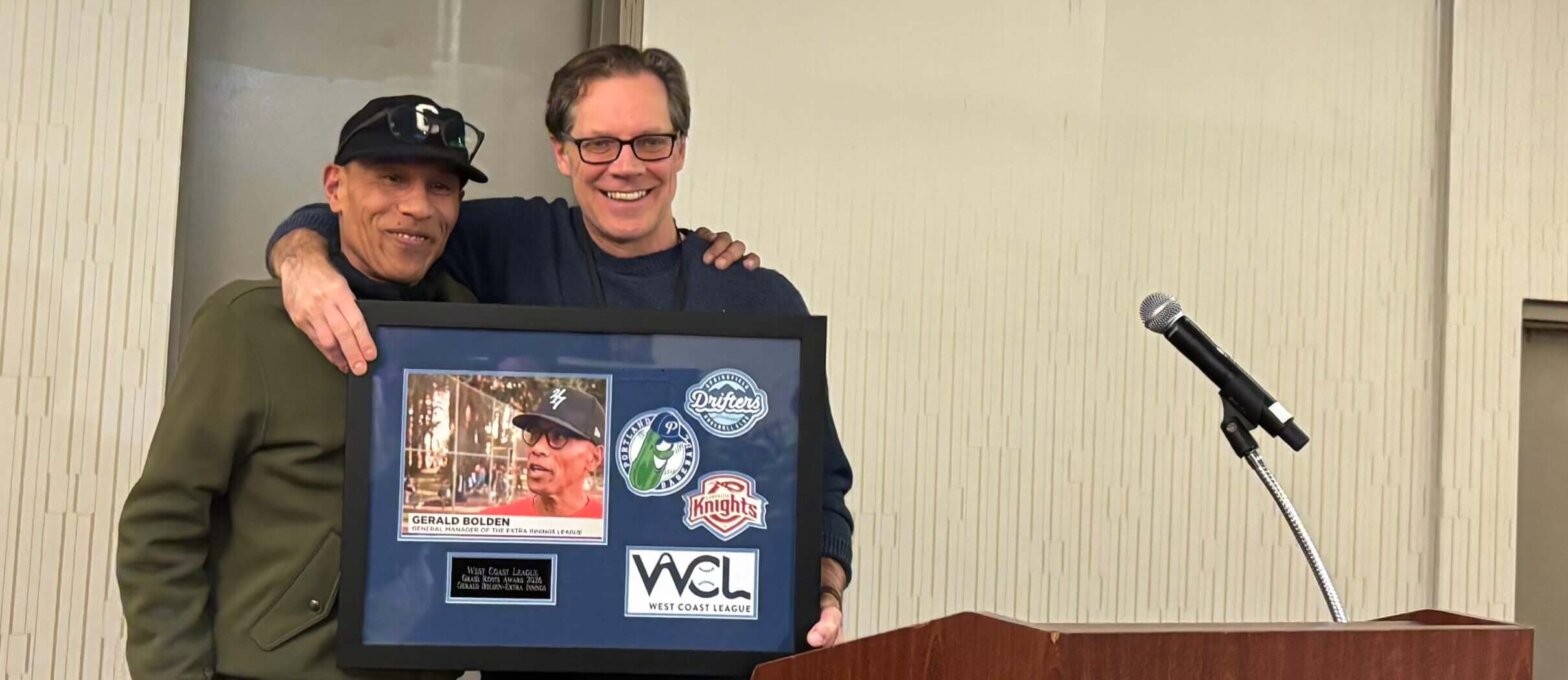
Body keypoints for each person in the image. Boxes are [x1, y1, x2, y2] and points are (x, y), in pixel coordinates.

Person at [265, 45, 853, 656]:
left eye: (651, 141)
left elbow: (821, 491)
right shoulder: (508, 243)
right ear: (562, 151)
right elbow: (380, 218)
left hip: (713, 653)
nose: (626, 167)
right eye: (598, 143)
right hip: (537, 656)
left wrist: (824, 592)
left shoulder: (760, 300)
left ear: (680, 148)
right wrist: (300, 256)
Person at [116, 95, 485, 679]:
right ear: (335, 188)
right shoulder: (246, 324)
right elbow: (162, 522)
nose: (416, 206)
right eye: (391, 178)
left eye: (441, 187)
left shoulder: (472, 330)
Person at [483, 387, 606, 517]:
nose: (537, 448)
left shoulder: (612, 529)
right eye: (535, 434)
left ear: (594, 458)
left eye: (558, 436)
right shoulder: (494, 527)